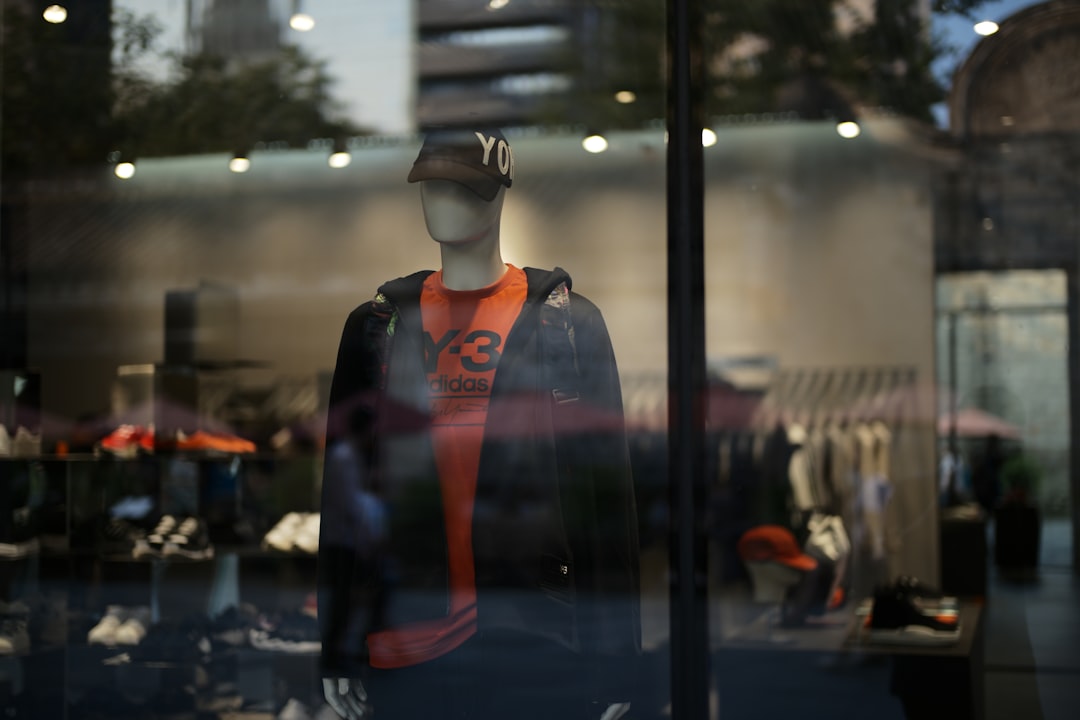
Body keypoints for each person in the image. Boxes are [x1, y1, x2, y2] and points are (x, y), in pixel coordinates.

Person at [318, 128, 641, 720]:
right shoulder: (375, 327)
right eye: (432, 188)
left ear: (499, 196)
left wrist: (616, 653)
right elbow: (343, 498)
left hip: (532, 635)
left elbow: (605, 497)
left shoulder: (566, 324)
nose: (444, 203)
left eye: (465, 189)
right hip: (406, 635)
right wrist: (337, 644)